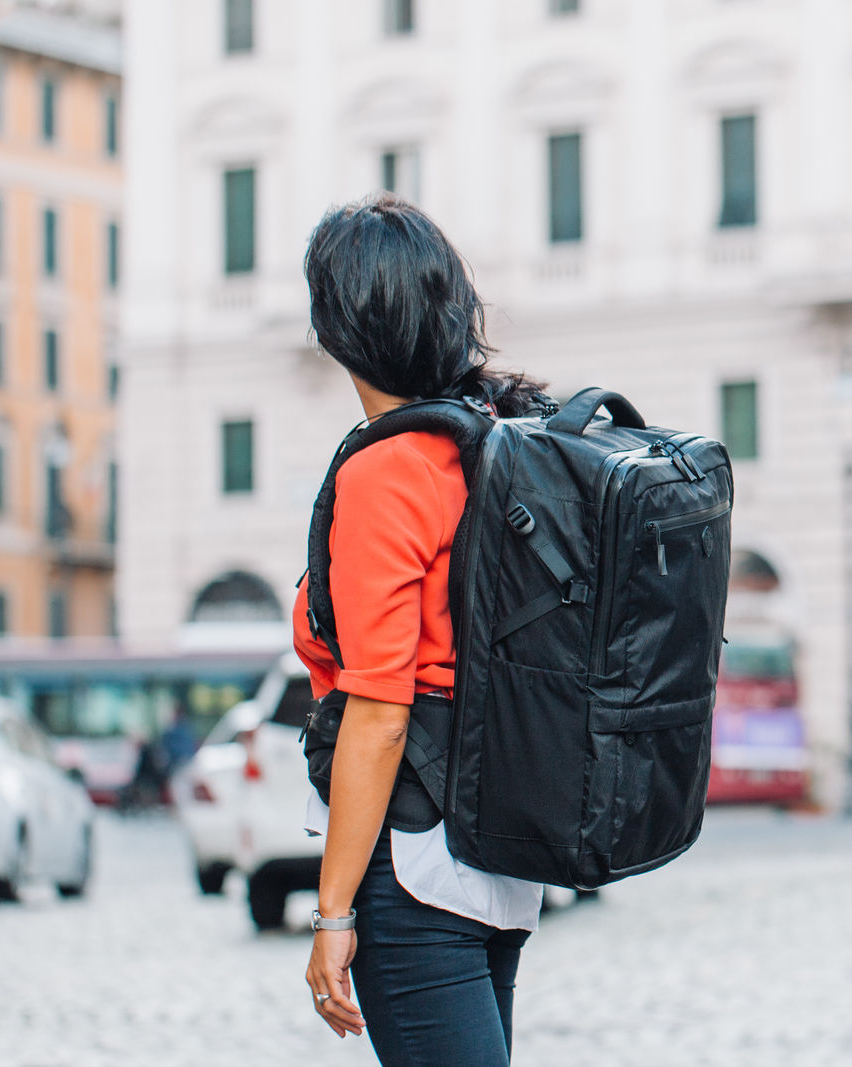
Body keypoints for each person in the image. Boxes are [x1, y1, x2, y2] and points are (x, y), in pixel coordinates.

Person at [295, 193, 551, 1065]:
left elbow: (380, 708)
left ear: (337, 325)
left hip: (413, 862)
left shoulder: (389, 470)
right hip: (498, 847)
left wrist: (333, 911)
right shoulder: (491, 444)